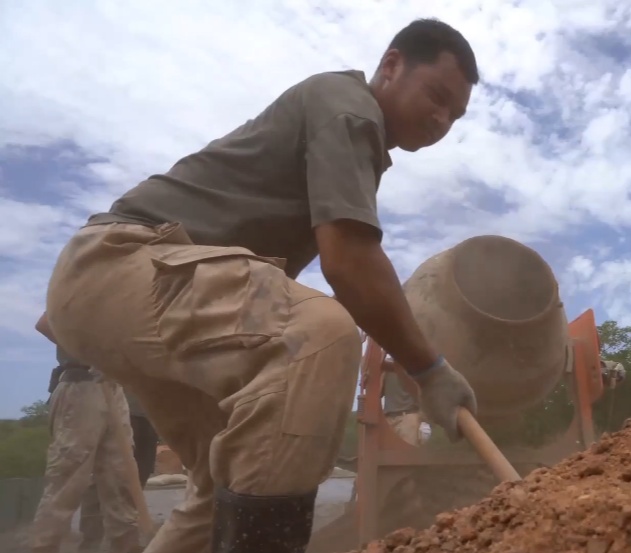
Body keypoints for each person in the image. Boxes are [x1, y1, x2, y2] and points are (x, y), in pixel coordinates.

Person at [42, 18, 480, 553]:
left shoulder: (351, 131)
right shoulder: (348, 107)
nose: (441, 120)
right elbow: (349, 261)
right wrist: (429, 370)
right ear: (391, 66)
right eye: (436, 96)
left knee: (229, 483)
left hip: (121, 286)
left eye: (455, 115)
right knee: (319, 336)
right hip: (118, 261)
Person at [29, 314, 140, 553]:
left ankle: (127, 547)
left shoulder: (122, 301)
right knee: (67, 479)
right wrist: (89, 355)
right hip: (80, 385)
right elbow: (45, 324)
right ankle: (45, 547)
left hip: (115, 387)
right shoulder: (79, 292)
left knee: (121, 478)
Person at [79, 392, 159, 553]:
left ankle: (123, 540)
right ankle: (92, 541)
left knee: (135, 478)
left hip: (150, 412)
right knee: (110, 477)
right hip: (117, 409)